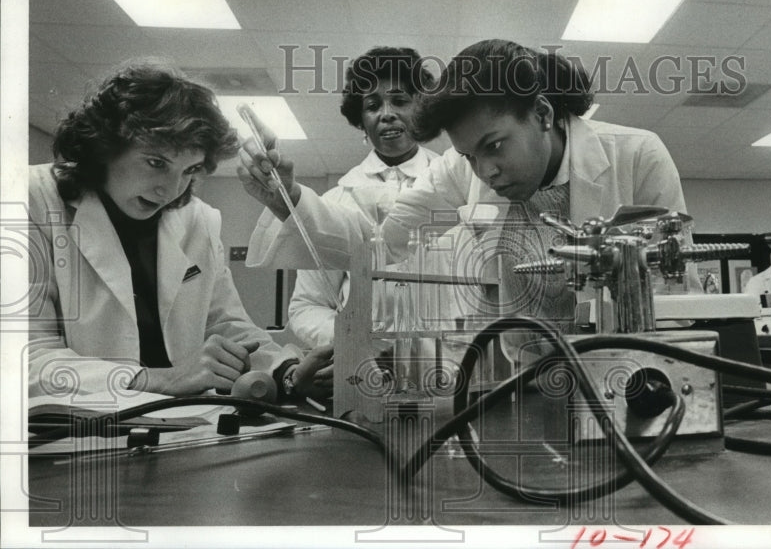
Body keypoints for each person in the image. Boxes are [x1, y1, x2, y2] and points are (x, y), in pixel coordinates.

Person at [239, 39, 692, 358]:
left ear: (542, 113)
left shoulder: (637, 156)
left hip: (623, 364)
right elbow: (382, 245)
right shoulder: (461, 169)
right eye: (469, 155)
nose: (486, 173)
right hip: (520, 371)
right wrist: (290, 200)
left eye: (495, 146)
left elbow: (674, 289)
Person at [27, 60, 330, 398]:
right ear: (104, 146)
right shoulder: (31, 200)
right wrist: (163, 379)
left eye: (191, 169)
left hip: (182, 423)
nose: (171, 190)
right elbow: (25, 360)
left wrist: (286, 372)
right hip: (69, 431)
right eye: (157, 163)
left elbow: (226, 326)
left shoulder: (196, 218)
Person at [283, 47, 439, 348]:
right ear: (361, 120)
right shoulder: (334, 201)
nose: (387, 114)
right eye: (372, 105)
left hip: (445, 363)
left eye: (400, 101)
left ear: (421, 109)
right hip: (358, 366)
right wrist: (354, 341)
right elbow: (307, 306)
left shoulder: (453, 186)